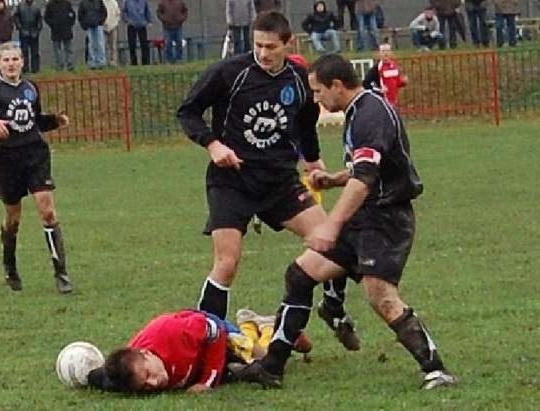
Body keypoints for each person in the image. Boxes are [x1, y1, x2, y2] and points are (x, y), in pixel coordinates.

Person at [229, 54, 458, 391]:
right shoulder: (359, 111)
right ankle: (272, 366)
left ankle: (436, 370)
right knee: (301, 273)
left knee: (380, 294)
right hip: (367, 213)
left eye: (319, 91)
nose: (316, 98)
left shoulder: (370, 113)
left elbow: (366, 178)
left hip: (385, 218)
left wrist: (330, 226)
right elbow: (368, 168)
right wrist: (334, 179)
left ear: (337, 85)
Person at [176, 11, 359, 352]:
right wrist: (213, 144)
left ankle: (332, 309)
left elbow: (306, 125)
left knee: (334, 243)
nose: (263, 53)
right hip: (232, 181)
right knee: (227, 263)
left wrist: (314, 162)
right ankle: (203, 346)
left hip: (279, 182)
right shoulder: (229, 73)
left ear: (288, 44)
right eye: (258, 45)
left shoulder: (300, 81)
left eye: (271, 47)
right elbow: (187, 111)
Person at [0, 42, 74, 294]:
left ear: (22, 62)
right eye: (6, 60)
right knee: (13, 218)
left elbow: (32, 122)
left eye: (15, 59)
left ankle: (61, 273)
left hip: (35, 155)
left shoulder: (31, 87)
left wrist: (54, 121)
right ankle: (10, 267)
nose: (11, 64)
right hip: (7, 159)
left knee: (48, 212)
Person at [86, 308, 312, 394]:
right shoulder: (127, 374)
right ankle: (252, 325)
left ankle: (268, 327)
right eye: (145, 386)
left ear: (147, 354)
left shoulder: (171, 333)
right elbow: (101, 377)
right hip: (198, 356)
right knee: (240, 372)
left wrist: (208, 381)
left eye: (149, 375)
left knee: (267, 361)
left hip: (214, 330)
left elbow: (212, 330)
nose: (154, 383)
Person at [362, 43, 407, 107]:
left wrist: (403, 82)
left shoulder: (395, 66)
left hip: (394, 101)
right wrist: (378, 90)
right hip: (382, 101)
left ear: (391, 52)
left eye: (388, 50)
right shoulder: (377, 68)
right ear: (379, 53)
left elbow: (396, 83)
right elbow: (365, 83)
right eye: (383, 51)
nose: (386, 53)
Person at [44, 0, 76, 71]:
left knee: (68, 49)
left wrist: (70, 23)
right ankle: (59, 66)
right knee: (57, 50)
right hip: (56, 31)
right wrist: (52, 24)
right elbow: (46, 17)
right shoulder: (50, 5)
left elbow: (72, 15)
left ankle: (70, 65)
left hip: (67, 30)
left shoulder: (67, 3)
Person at [13, 0, 43, 73]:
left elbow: (40, 18)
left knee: (35, 52)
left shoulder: (36, 6)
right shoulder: (20, 6)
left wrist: (38, 29)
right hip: (24, 31)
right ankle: (25, 68)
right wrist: (20, 27)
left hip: (34, 32)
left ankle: (35, 69)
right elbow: (16, 17)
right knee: (24, 51)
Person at [78, 0, 107, 69]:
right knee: (91, 45)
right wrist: (84, 25)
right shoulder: (83, 3)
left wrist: (101, 21)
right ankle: (92, 63)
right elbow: (80, 15)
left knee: (100, 44)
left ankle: (101, 62)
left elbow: (104, 12)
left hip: (98, 25)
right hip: (89, 26)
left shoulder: (99, 1)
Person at [122, 0, 153, 66]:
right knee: (132, 45)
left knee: (144, 44)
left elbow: (147, 11)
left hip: (142, 25)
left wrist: (149, 21)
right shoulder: (128, 2)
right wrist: (127, 20)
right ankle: (134, 62)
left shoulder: (144, 1)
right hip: (131, 26)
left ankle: (145, 62)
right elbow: (124, 12)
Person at [103, 0, 121, 67]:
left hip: (113, 27)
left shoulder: (114, 2)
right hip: (103, 27)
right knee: (103, 46)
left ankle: (113, 61)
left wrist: (116, 23)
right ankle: (103, 61)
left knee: (113, 46)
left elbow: (118, 14)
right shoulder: (102, 2)